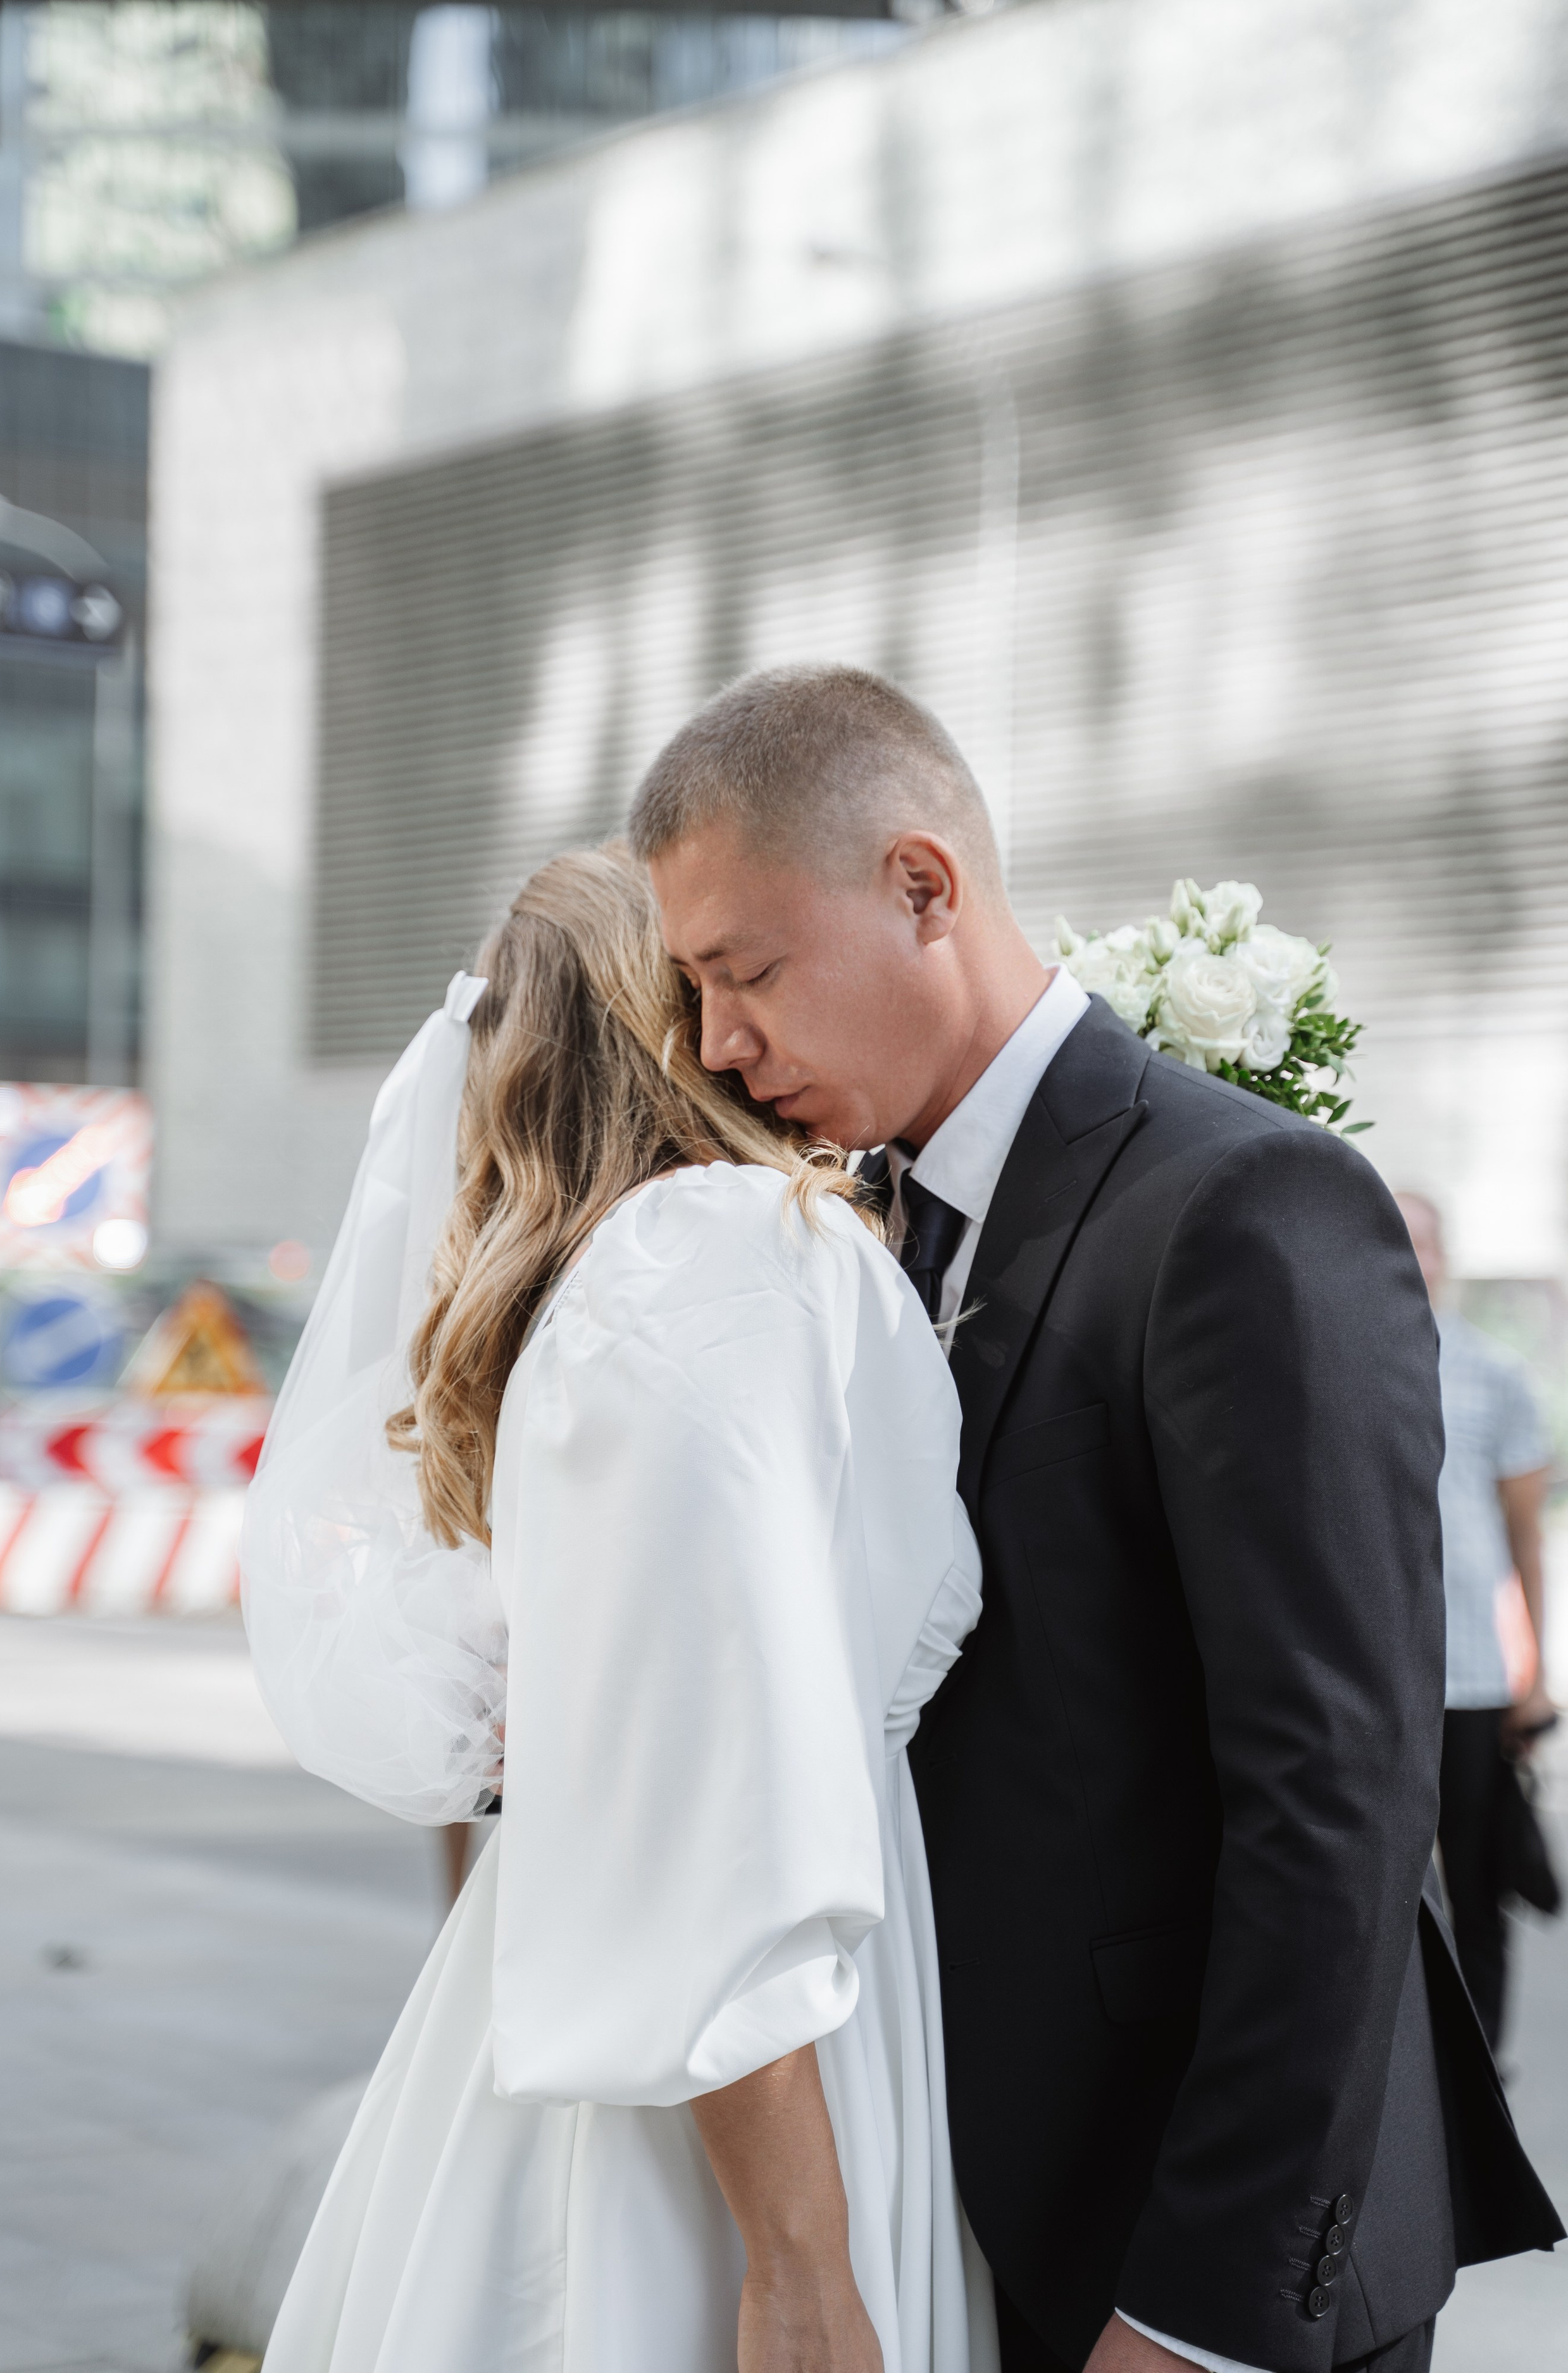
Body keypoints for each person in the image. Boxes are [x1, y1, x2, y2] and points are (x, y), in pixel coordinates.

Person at [634, 664, 1562, 2373]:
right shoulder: (864, 1237)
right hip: (959, 2214)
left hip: (1180, 2254)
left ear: (923, 886)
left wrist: (1200, 2316)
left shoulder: (1244, 1203)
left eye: (743, 972)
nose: (719, 1045)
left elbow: (1339, 1802)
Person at [242, 846, 996, 2372]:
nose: (746, 1026)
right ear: (671, 1018)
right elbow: (714, 1805)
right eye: (722, 978)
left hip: (645, 1988)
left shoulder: (623, 1274)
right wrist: (799, 2258)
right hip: (739, 2059)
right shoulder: (710, 1258)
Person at [1395, 1191, 1557, 2053]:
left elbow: (1525, 1542)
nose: (1410, 1261)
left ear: (1445, 1256)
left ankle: (1485, 2060)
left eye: (1422, 1243)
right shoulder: (1345, 1357)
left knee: (1478, 1879)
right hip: (1383, 1675)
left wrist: (1534, 1686)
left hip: (1475, 1675)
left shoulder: (1494, 1372)